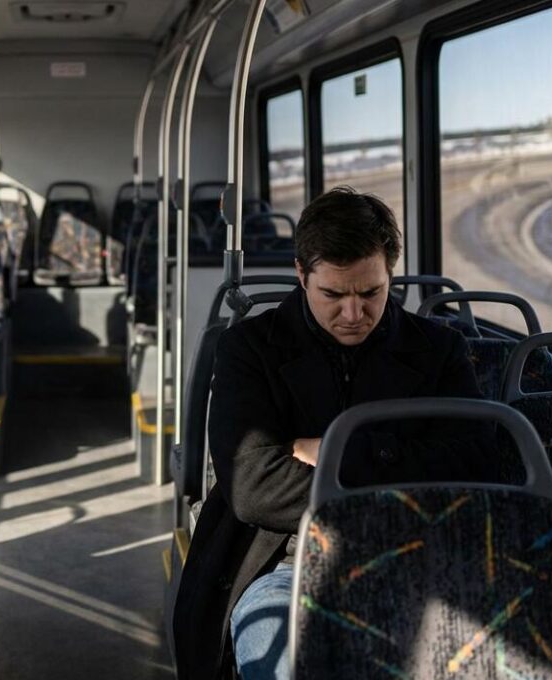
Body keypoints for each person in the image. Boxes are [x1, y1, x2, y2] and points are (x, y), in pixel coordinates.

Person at [172, 187, 495, 680]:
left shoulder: (438, 350)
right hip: (285, 562)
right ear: (302, 276)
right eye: (333, 294)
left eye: (371, 293)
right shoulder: (250, 350)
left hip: (417, 555)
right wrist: (402, 469)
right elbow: (255, 487)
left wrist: (334, 451)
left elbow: (473, 463)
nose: (353, 314)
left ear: (390, 275)